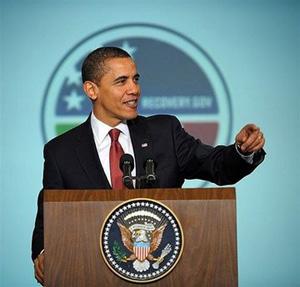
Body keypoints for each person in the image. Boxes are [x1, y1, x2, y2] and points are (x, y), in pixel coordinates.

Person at [32, 47, 265, 284]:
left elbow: (216, 165)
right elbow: (49, 215)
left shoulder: (165, 132)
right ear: (92, 90)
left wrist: (241, 152)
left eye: (135, 79)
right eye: (121, 81)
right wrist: (43, 254)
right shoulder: (61, 151)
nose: (134, 89)